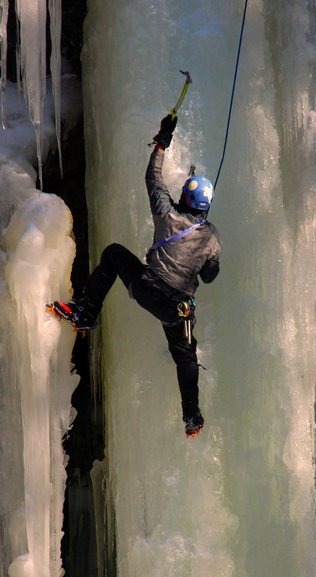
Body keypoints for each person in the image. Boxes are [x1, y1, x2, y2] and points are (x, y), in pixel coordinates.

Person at [50, 114, 221, 437]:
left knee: (114, 254)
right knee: (184, 355)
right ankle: (192, 417)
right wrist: (207, 261)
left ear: (185, 197)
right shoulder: (212, 237)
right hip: (175, 309)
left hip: (146, 288)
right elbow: (210, 276)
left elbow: (152, 177)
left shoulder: (166, 212)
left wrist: (163, 140)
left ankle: (86, 312)